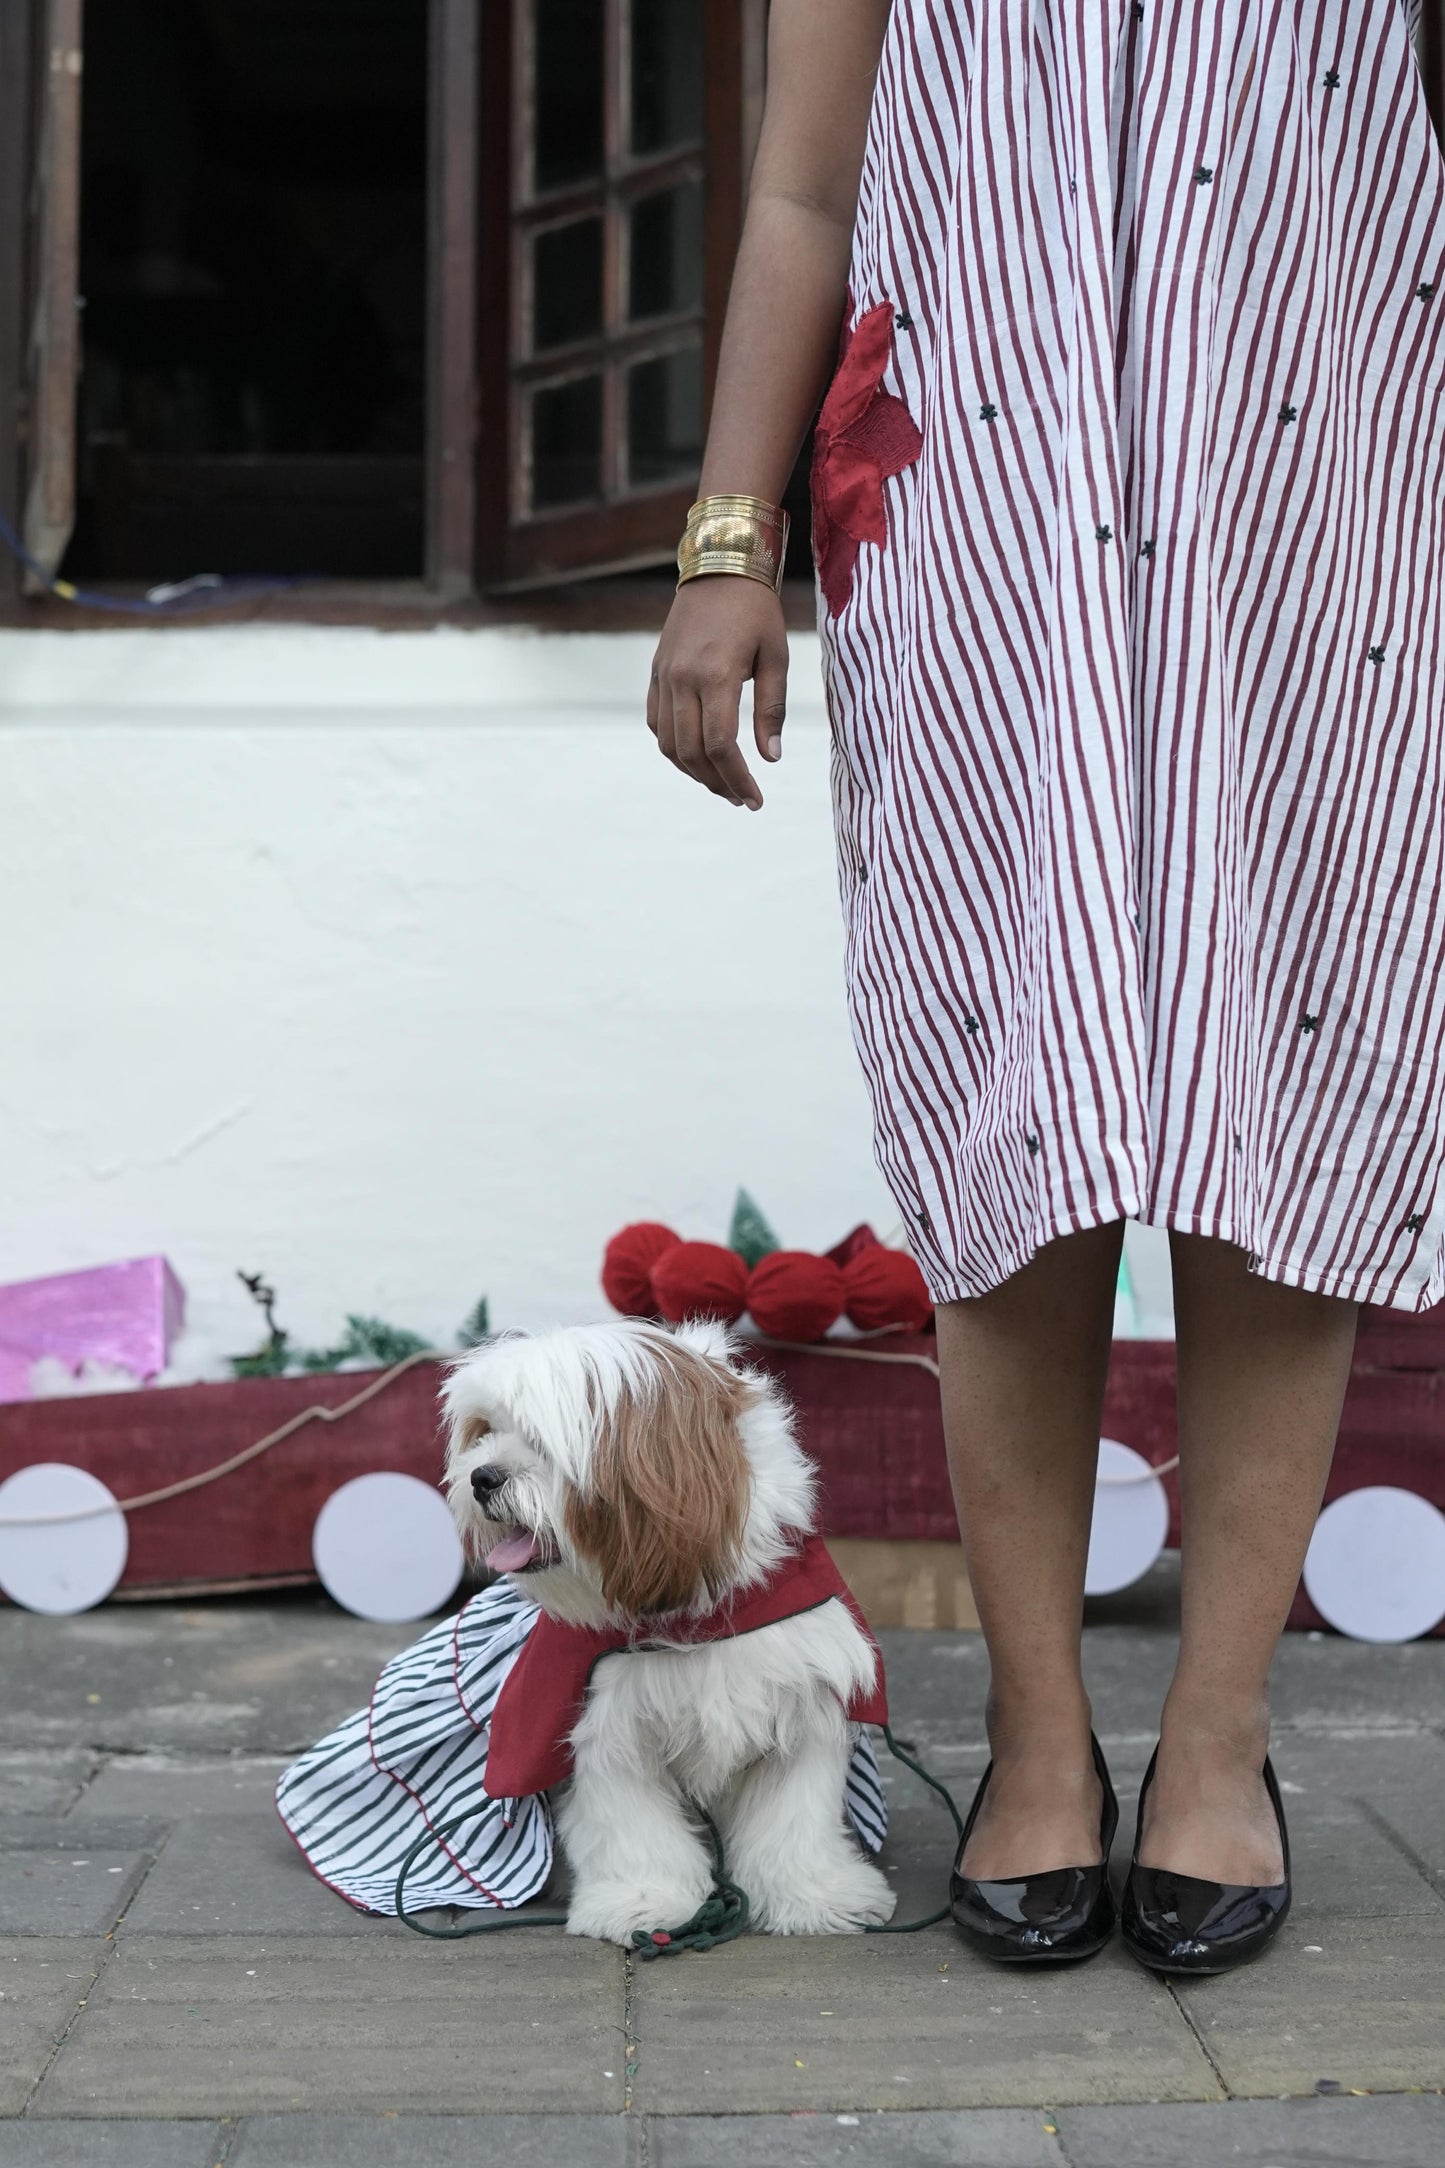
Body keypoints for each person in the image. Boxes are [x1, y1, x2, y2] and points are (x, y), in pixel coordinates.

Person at [648, 0, 1445, 1974]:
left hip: (1314, 537)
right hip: (987, 549)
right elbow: (804, 183)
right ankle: (1034, 1735)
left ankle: (1221, 1742)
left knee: (1288, 1087)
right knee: (1020, 1112)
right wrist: (728, 540)